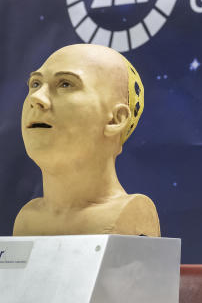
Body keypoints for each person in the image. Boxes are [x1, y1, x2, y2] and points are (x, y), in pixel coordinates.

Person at [14, 43, 160, 237]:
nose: (36, 98)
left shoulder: (131, 217)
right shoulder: (27, 220)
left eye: (65, 84)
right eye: (35, 84)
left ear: (116, 119)